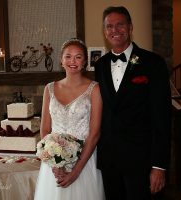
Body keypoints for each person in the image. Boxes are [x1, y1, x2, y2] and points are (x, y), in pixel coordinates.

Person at [94, 6, 171, 200]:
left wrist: (159, 165)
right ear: (104, 31)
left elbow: (162, 117)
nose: (115, 30)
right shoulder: (101, 66)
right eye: (109, 26)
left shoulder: (153, 63)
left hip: (142, 161)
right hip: (109, 160)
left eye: (120, 24)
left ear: (130, 27)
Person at [34, 38, 105, 200]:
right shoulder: (49, 88)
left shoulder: (95, 89)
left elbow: (95, 133)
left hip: (85, 161)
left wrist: (76, 171)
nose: (72, 61)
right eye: (68, 56)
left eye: (78, 57)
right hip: (53, 163)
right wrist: (54, 162)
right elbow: (45, 129)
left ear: (85, 62)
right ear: (61, 60)